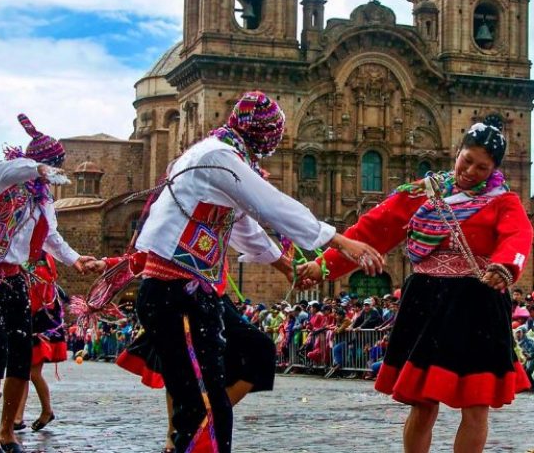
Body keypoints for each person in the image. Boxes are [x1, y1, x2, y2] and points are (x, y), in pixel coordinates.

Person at [131, 91, 381, 453]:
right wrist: (341, 241)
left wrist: (284, 265)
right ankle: (191, 426)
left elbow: (243, 224)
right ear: (262, 135)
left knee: (256, 351)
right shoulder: (218, 156)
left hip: (195, 291)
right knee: (204, 403)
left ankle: (196, 418)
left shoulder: (224, 155)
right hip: (174, 290)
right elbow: (270, 204)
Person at [298, 115, 533, 453]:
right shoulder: (422, 193)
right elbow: (370, 231)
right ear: (458, 151)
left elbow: (517, 235)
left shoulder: (503, 201)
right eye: (467, 161)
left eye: (481, 168)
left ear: (494, 169)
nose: (470, 172)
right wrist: (322, 266)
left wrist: (505, 266)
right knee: (423, 403)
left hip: (477, 302)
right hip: (429, 301)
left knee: (476, 405)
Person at [0, 114, 94, 453]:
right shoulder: (2, 177)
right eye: (50, 167)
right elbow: (27, 170)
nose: (53, 175)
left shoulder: (43, 201)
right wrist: (42, 166)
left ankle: (7, 432)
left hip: (13, 277)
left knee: (21, 354)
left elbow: (51, 237)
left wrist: (76, 259)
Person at [14, 251, 67, 433]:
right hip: (35, 321)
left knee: (32, 372)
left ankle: (45, 411)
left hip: (38, 323)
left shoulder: (40, 262)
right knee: (24, 371)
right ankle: (19, 416)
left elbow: (37, 296)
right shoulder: (36, 259)